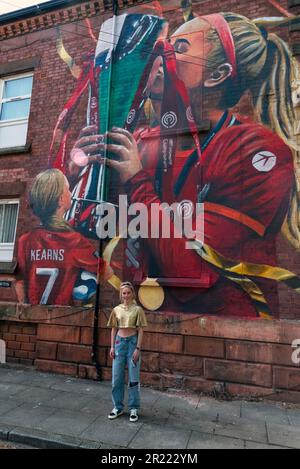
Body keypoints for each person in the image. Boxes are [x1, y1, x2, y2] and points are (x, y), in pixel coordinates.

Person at [100, 13, 300, 318]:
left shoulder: (255, 150)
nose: (161, 54)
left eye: (179, 47)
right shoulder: (141, 139)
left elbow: (189, 266)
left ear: (217, 74)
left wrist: (136, 181)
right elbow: (106, 229)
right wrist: (87, 177)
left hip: (227, 340)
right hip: (140, 325)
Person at [16, 169, 111, 306]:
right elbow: (106, 272)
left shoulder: (24, 240)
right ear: (61, 199)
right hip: (61, 317)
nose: (71, 193)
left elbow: (19, 281)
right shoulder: (74, 241)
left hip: (34, 317)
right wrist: (83, 280)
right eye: (68, 189)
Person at [107, 281, 147, 422]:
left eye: (128, 293)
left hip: (132, 343)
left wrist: (138, 348)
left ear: (132, 294)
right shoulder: (116, 309)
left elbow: (141, 330)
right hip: (119, 344)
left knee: (133, 378)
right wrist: (112, 346)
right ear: (121, 294)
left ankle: (133, 408)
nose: (126, 295)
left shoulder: (138, 310)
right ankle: (117, 407)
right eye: (124, 293)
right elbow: (113, 328)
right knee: (116, 377)